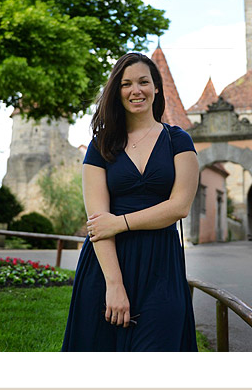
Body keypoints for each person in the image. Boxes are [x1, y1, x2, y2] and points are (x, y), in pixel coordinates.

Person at [62, 52, 199, 351]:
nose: (136, 90)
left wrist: (120, 222)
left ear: (156, 88)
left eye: (143, 82)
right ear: (117, 91)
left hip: (161, 265)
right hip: (106, 266)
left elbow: (179, 207)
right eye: (126, 84)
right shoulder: (101, 145)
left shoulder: (179, 140)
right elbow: (99, 224)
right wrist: (114, 285)